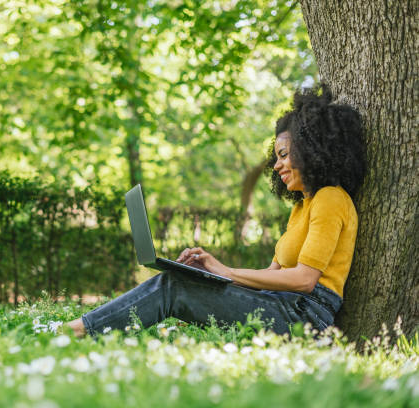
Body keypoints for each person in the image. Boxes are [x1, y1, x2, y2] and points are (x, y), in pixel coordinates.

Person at [67, 85, 367, 337]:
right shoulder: (302, 206)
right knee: (181, 282)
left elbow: (304, 280)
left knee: (173, 288)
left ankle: (74, 332)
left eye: (284, 155)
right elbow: (269, 276)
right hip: (281, 305)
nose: (276, 166)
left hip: (304, 318)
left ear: (312, 151)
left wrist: (228, 272)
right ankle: (81, 329)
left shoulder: (331, 198)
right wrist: (212, 274)